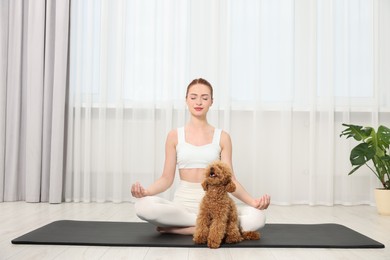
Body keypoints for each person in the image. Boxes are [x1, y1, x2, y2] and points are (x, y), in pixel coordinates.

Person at [131, 78, 270, 235]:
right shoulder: (174, 135)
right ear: (186, 100)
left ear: (211, 101)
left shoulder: (223, 137)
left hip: (216, 205)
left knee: (258, 218)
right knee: (142, 206)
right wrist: (146, 192)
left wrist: (253, 202)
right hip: (182, 208)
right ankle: (210, 226)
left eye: (204, 98)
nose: (199, 102)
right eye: (193, 97)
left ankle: (179, 229)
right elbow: (166, 179)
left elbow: (229, 180)